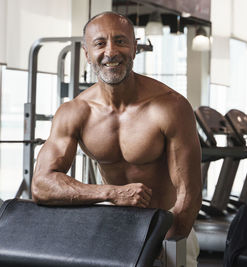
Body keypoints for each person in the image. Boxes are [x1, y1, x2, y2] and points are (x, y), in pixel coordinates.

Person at [31, 11, 202, 266]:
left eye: (121, 41)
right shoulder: (75, 112)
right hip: (115, 229)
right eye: (100, 43)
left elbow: (189, 194)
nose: (111, 52)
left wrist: (165, 240)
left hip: (169, 227)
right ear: (87, 54)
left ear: (134, 48)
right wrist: (110, 193)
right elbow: (41, 185)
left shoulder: (170, 107)